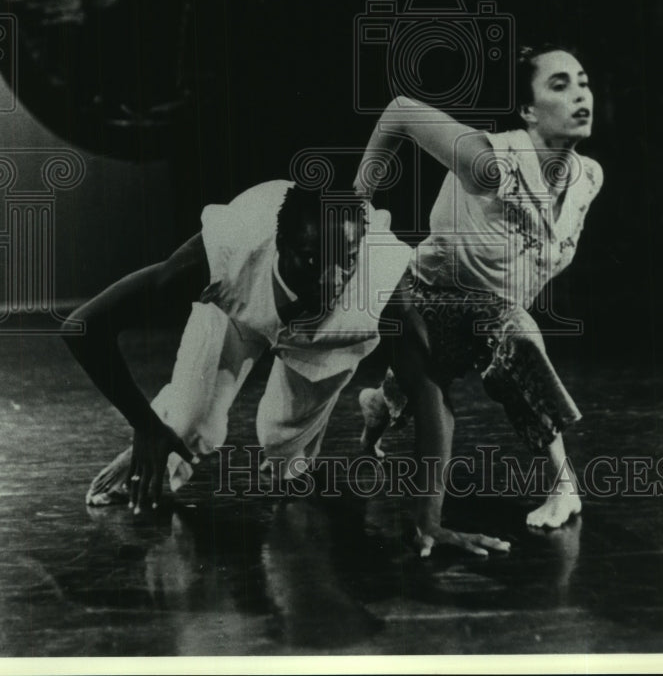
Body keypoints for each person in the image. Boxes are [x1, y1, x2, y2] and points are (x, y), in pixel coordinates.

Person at [63, 179, 511, 559]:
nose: (333, 282)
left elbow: (429, 391)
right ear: (281, 247)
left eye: (346, 262)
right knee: (190, 427)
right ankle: (165, 430)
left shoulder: (383, 280)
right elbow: (83, 326)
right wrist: (145, 426)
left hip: (328, 342)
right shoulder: (230, 251)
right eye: (314, 259)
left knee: (284, 459)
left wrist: (429, 520)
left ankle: (284, 456)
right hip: (239, 312)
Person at [353, 45, 603, 548]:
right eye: (559, 85)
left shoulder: (587, 179)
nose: (580, 94)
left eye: (583, 80)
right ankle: (563, 485)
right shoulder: (492, 165)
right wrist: (356, 200)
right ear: (529, 111)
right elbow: (400, 110)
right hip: (428, 302)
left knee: (498, 345)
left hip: (488, 316)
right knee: (507, 344)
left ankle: (375, 412)